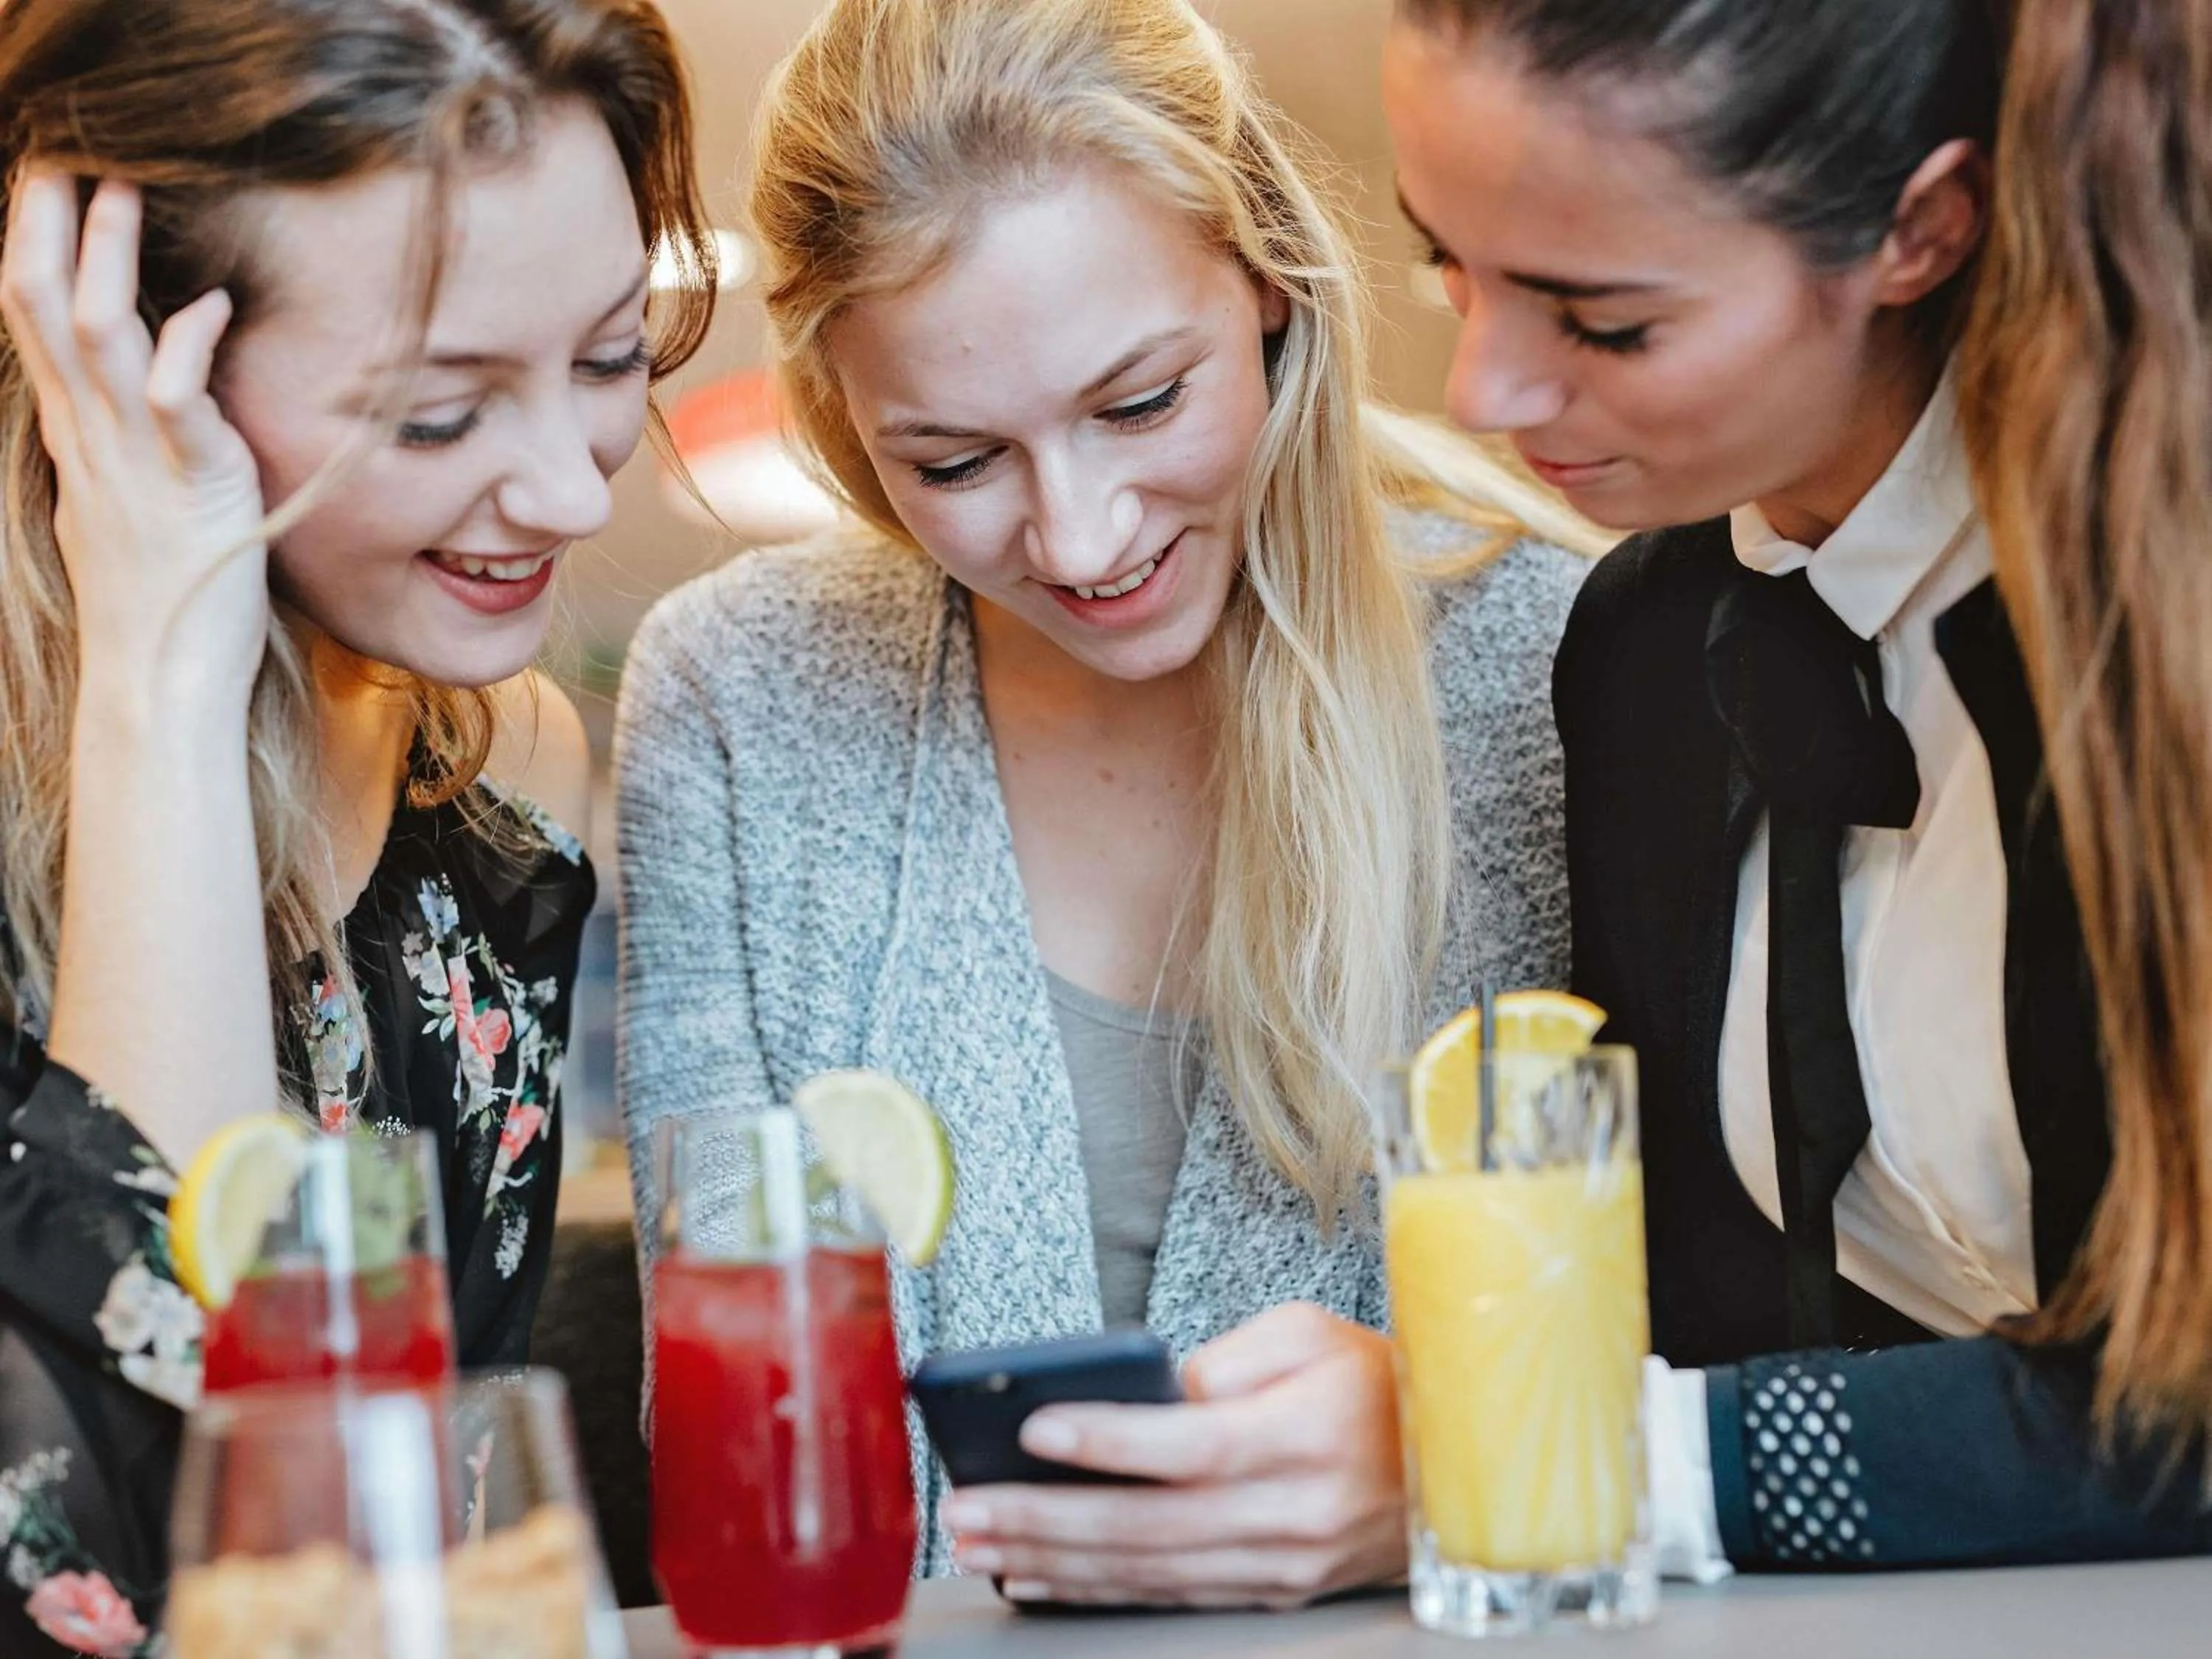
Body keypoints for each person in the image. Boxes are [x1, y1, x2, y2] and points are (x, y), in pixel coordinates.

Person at [617, 0, 1601, 1610]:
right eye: (955, 463)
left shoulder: (1559, 657)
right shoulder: (741, 692)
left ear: (1270, 277)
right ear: (848, 422)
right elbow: (736, 1411)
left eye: (1141, 404)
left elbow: (1694, 1360)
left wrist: (1451, 1456)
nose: (1078, 540)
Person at [1385, 0, 2212, 1573]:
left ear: (1920, 231)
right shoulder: (1642, 644)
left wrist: (1602, 1461)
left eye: (1602, 322)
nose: (1478, 390)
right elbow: (1707, 1298)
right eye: (1451, 261)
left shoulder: (2174, 637)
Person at [0, 1, 714, 1648]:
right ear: (127, 351)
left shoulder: (499, 773)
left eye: (613, 356)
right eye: (439, 414)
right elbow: (128, 1575)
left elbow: (380, 1554)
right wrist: (168, 682)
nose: (576, 491)